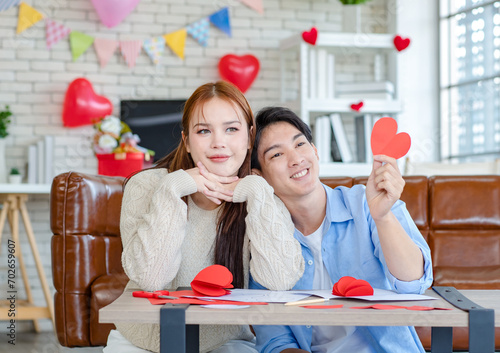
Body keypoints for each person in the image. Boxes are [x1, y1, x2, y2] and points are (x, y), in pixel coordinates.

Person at [104, 83, 304, 353]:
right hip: (139, 341)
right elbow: (152, 279)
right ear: (186, 141)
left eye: (231, 129)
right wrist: (172, 191)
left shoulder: (261, 191)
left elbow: (280, 280)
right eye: (204, 131)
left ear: (249, 138)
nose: (218, 142)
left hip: (225, 342)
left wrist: (257, 194)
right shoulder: (147, 185)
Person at [249, 106, 433, 353]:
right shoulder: (264, 242)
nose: (296, 159)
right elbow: (276, 343)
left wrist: (383, 217)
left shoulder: (367, 203)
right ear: (259, 177)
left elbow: (414, 284)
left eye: (300, 144)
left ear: (315, 151)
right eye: (276, 155)